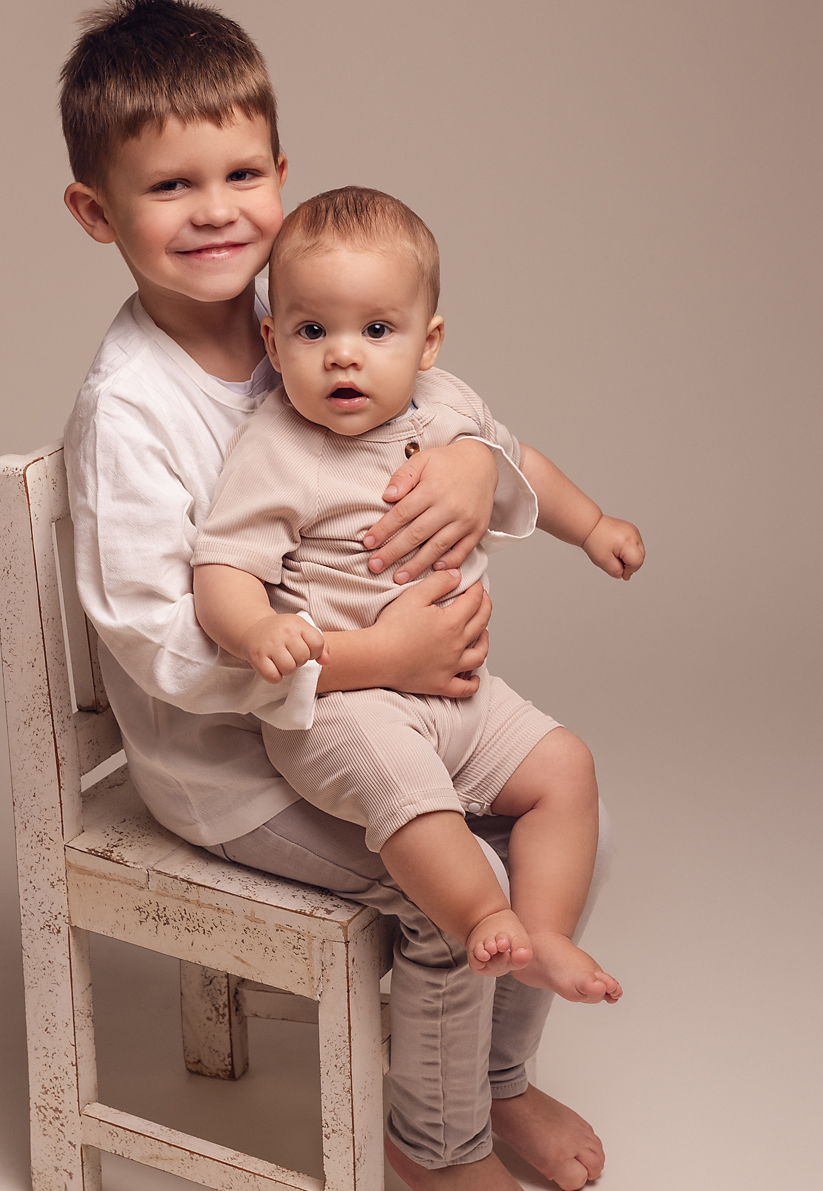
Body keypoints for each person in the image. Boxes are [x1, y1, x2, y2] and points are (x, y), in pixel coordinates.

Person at [62, 0, 624, 1191]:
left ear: (280, 175)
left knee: (538, 812)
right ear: (98, 213)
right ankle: (442, 1143)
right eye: (169, 187)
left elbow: (433, 403)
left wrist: (484, 472)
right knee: (439, 897)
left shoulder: (303, 313)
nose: (215, 209)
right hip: (222, 769)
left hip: (378, 717)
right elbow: (162, 645)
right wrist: (379, 660)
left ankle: (494, 1073)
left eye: (241, 171)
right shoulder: (133, 413)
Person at [193, 185, 643, 1014]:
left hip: (454, 692)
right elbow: (220, 566)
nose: (342, 355)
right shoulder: (275, 447)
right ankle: (481, 914)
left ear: (427, 342)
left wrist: (590, 527)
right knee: (410, 794)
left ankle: (542, 935)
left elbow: (524, 466)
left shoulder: (450, 408)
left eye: (375, 330)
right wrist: (256, 623)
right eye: (310, 330)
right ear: (272, 338)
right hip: (345, 707)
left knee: (563, 767)